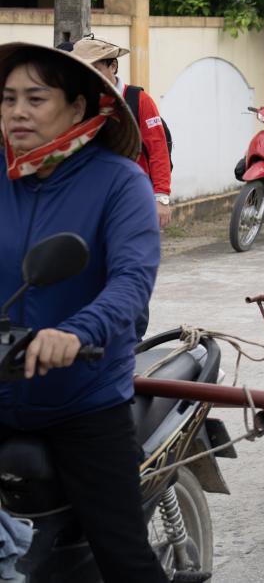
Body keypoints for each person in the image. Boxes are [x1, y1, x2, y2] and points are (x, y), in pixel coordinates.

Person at [0, 42, 166, 581]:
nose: (17, 111)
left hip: (83, 395)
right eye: (7, 98)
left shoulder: (120, 183)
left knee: (124, 557)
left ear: (77, 108)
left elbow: (131, 280)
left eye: (34, 98)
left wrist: (74, 333)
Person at [68, 36, 172, 230]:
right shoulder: (79, 103)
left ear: (113, 66)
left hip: (133, 197)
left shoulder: (139, 100)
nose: (89, 76)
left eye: (95, 69)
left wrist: (161, 198)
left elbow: (158, 149)